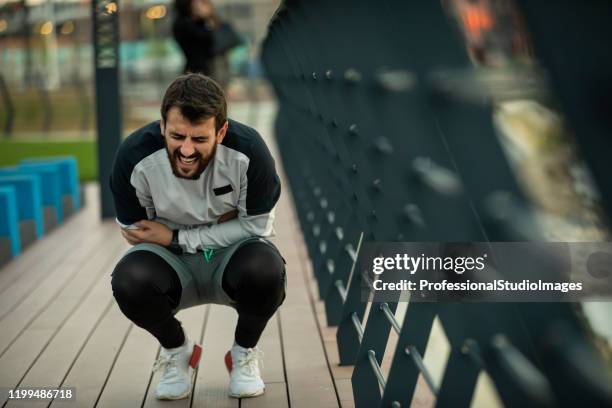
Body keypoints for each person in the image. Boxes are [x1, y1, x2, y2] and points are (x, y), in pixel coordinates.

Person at [109, 73, 285, 400]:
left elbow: (258, 226)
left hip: (230, 258)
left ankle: (243, 354)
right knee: (130, 279)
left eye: (200, 139)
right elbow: (136, 231)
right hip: (172, 264)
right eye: (177, 136)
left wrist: (175, 235)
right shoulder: (134, 155)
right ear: (162, 126)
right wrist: (225, 221)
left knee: (266, 270)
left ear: (222, 131)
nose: (186, 150)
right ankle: (178, 353)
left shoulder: (250, 151)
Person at [173, 0, 217, 76]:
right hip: (197, 70)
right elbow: (207, 38)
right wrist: (206, 19)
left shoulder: (194, 22)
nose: (198, 4)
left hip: (201, 68)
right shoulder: (184, 24)